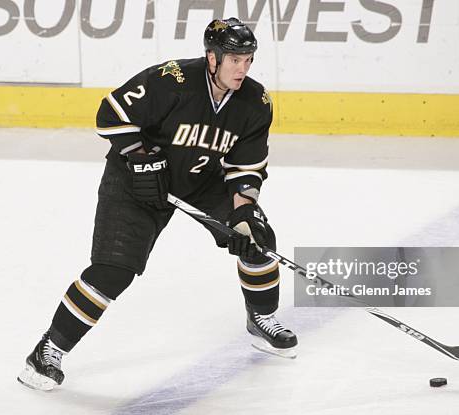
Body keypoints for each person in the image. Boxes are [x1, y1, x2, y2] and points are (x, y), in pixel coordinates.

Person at [17, 17, 298, 391]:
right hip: (134, 182)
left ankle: (261, 317)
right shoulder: (172, 80)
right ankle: (46, 351)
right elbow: (111, 114)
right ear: (212, 57)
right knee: (113, 271)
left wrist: (244, 215)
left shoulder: (255, 102)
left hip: (201, 181)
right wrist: (141, 156)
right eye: (234, 60)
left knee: (259, 239)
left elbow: (245, 170)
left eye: (248, 59)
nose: (242, 68)